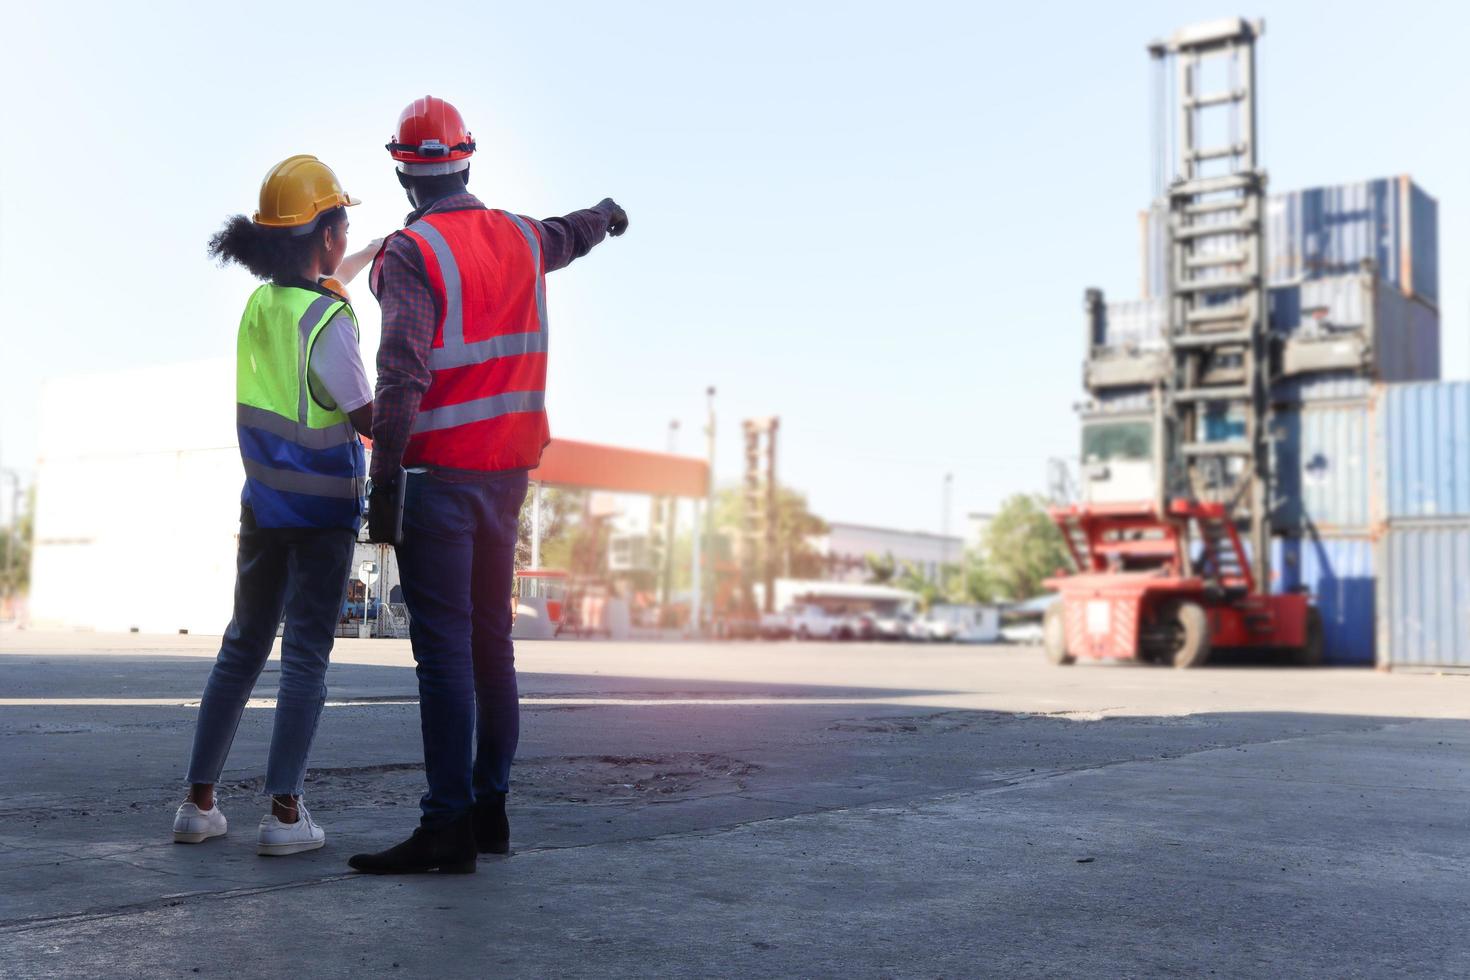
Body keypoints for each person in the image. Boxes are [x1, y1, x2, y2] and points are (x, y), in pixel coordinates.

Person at [348, 96, 627, 874]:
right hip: (507, 475)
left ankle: (448, 827)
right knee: (490, 645)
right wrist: (609, 213)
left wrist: (384, 484)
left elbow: (401, 373)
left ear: (404, 173)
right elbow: (573, 232)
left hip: (439, 477)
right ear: (467, 160)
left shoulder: (409, 253)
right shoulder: (520, 235)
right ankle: (490, 812)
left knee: (442, 655)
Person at [173, 155, 380, 856]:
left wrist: (380, 250)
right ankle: (284, 817)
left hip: (263, 508)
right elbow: (369, 415)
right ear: (322, 237)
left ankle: (197, 805)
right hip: (322, 517)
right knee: (305, 661)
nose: (348, 238)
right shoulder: (330, 323)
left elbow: (321, 285)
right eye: (344, 226)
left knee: (242, 648)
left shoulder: (265, 305)